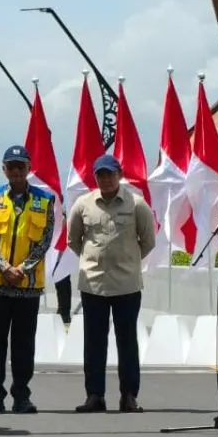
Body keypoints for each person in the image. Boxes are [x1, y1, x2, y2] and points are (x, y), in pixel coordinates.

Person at [66, 154, 156, 413]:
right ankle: (95, 395)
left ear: (119, 174)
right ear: (95, 177)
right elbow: (74, 240)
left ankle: (129, 395)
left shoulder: (137, 204)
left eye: (110, 174)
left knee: (127, 341)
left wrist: (127, 260)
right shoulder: (83, 205)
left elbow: (148, 241)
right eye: (100, 175)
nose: (105, 179)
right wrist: (92, 261)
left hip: (126, 284)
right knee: (94, 342)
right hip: (93, 284)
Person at [0, 145, 56, 414]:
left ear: (28, 168)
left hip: (27, 285)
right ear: (4, 170)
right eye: (11, 166)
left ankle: (22, 394)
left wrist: (21, 268)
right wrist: (4, 267)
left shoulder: (45, 200)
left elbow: (45, 240)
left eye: (21, 166)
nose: (16, 171)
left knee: (24, 345)